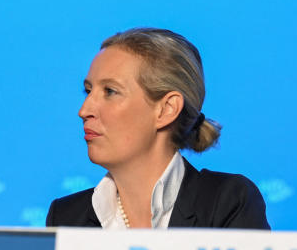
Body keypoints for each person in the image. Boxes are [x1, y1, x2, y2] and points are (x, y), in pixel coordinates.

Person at [46, 28, 268, 229]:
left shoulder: (226, 201)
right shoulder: (65, 218)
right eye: (88, 91)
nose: (84, 110)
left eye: (110, 91)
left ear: (167, 109)